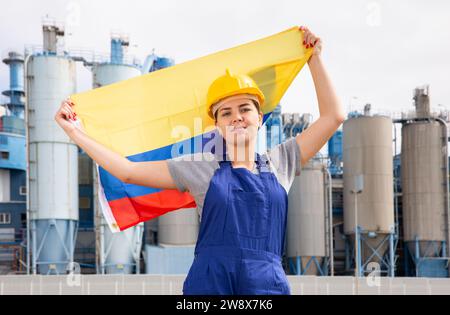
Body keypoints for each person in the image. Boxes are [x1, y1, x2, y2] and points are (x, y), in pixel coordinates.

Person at [55, 26, 345, 295]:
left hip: (266, 283)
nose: (236, 117)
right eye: (226, 113)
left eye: (245, 109)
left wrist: (314, 59)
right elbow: (128, 172)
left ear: (260, 117)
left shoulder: (282, 161)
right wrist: (75, 132)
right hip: (210, 283)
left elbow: (334, 117)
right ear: (217, 125)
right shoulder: (200, 168)